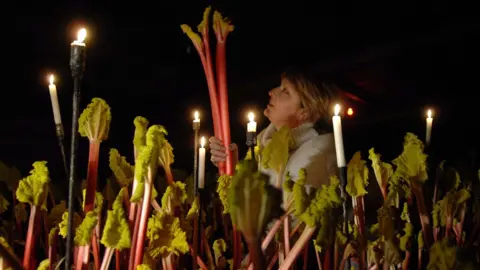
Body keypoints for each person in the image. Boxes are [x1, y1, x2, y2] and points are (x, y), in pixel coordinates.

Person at [209, 68, 338, 192]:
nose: (272, 92)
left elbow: (283, 208)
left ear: (305, 112)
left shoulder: (319, 151)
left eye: (285, 91)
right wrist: (231, 165)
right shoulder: (261, 144)